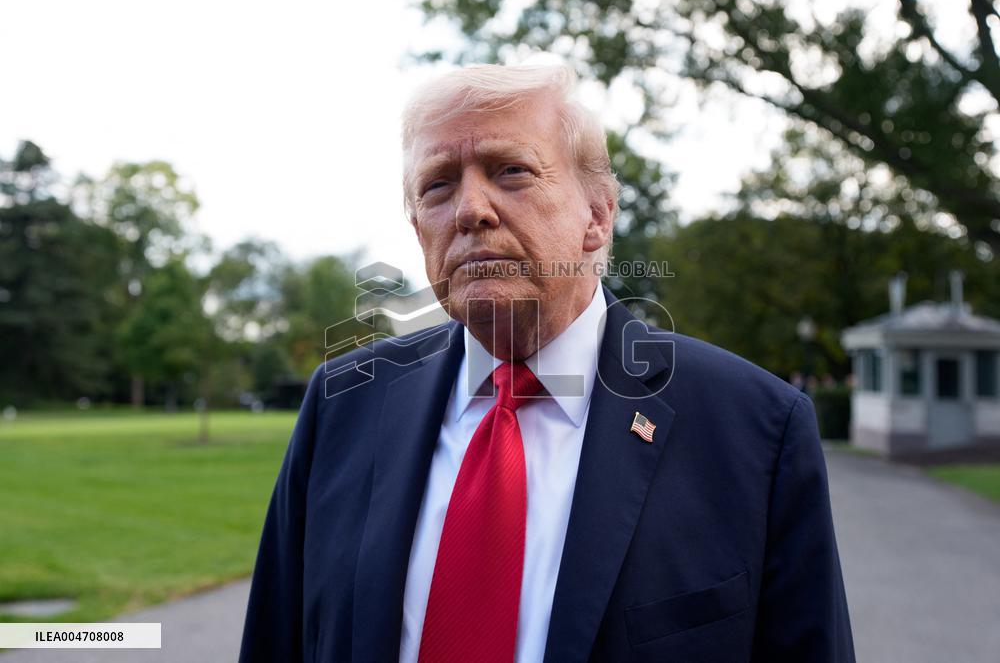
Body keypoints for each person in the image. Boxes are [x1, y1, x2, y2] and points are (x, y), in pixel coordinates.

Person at [239, 64, 855, 662]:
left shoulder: (756, 429)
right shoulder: (343, 402)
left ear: (597, 214)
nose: (470, 210)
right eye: (438, 185)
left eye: (511, 171)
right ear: (417, 226)